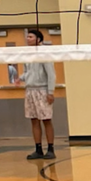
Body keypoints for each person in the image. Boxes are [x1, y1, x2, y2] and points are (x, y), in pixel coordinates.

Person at [21, 29, 57, 160]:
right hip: (30, 90)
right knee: (34, 120)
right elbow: (27, 72)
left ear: (38, 39)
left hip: (42, 90)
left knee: (46, 119)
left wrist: (50, 92)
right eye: (27, 36)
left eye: (30, 37)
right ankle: (38, 149)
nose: (27, 38)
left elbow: (51, 74)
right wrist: (20, 78)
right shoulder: (26, 54)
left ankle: (51, 149)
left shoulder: (44, 53)